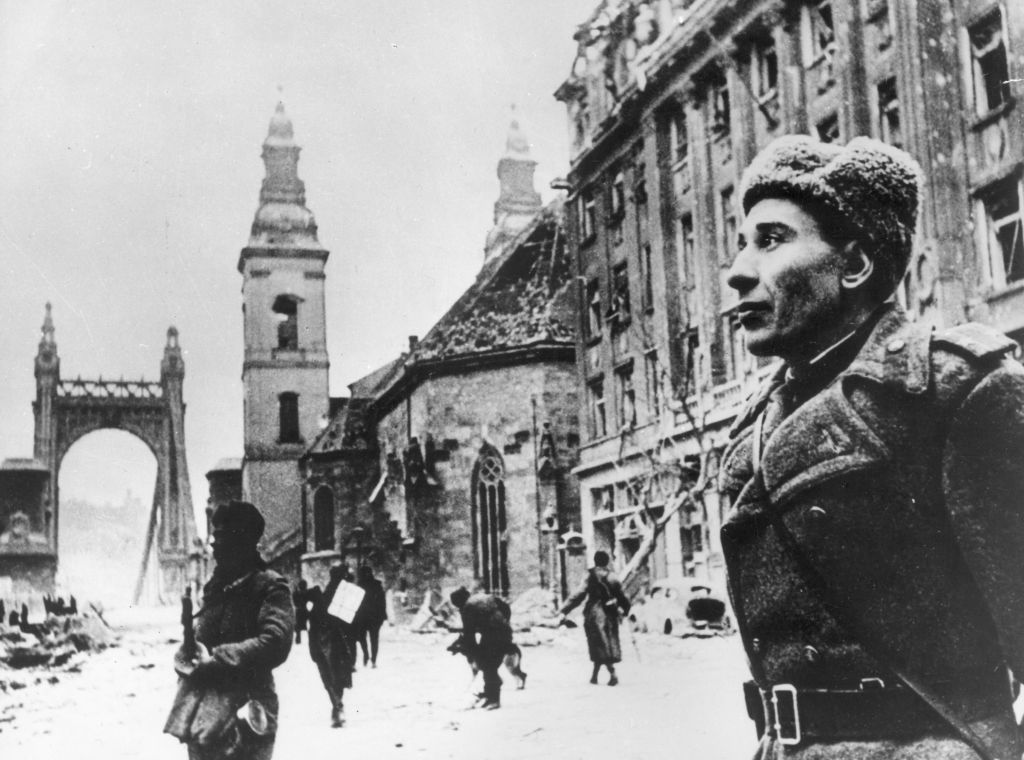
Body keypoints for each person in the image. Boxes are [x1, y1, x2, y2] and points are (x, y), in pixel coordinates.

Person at [719, 134, 1024, 759]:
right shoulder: (754, 426)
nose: (738, 272)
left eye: (771, 240)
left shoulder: (956, 392)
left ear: (854, 266)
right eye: (743, 243)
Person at [164, 500, 294, 760]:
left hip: (247, 708)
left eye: (221, 537)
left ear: (242, 541)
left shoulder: (269, 586)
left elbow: (275, 643)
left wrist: (218, 660)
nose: (213, 545)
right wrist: (190, 651)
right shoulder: (216, 588)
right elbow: (203, 640)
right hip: (206, 711)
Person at [557, 550, 630, 686]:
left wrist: (565, 609)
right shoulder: (612, 577)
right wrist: (625, 610)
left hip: (594, 613)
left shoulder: (589, 575)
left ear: (595, 561)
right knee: (605, 643)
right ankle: (594, 676)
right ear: (607, 561)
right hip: (610, 613)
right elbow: (622, 596)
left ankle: (612, 674)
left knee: (598, 644)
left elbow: (579, 594)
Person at [302, 564, 357, 727]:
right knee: (339, 676)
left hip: (323, 644)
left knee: (328, 676)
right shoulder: (345, 597)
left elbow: (312, 621)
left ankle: (337, 706)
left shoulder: (323, 596)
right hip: (339, 644)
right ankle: (337, 706)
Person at [449, 586, 514, 709]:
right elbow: (506, 608)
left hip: (493, 635)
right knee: (490, 666)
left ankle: (494, 699)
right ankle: (489, 694)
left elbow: (469, 634)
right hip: (504, 632)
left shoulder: (467, 608)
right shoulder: (483, 598)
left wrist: (474, 653)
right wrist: (503, 622)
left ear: (459, 602)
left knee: (488, 667)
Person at [353, 564, 387, 668]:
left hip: (363, 616)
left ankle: (367, 654)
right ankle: (373, 660)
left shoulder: (360, 586)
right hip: (373, 617)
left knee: (362, 637)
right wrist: (382, 615)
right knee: (374, 639)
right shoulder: (377, 585)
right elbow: (382, 602)